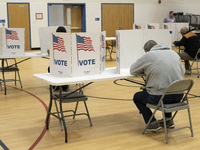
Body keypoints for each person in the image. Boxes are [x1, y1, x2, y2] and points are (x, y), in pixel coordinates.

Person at [130, 40, 185, 132]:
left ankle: (152, 123)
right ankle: (168, 120)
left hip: (160, 98)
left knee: (137, 97)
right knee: (168, 87)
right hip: (179, 95)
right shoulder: (174, 53)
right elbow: (182, 71)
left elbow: (132, 70)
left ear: (147, 50)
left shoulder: (149, 55)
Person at [48, 26, 69, 91]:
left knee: (52, 69)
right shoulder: (54, 41)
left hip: (63, 65)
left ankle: (58, 85)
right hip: (62, 64)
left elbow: (49, 53)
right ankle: (62, 85)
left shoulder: (68, 41)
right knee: (51, 68)